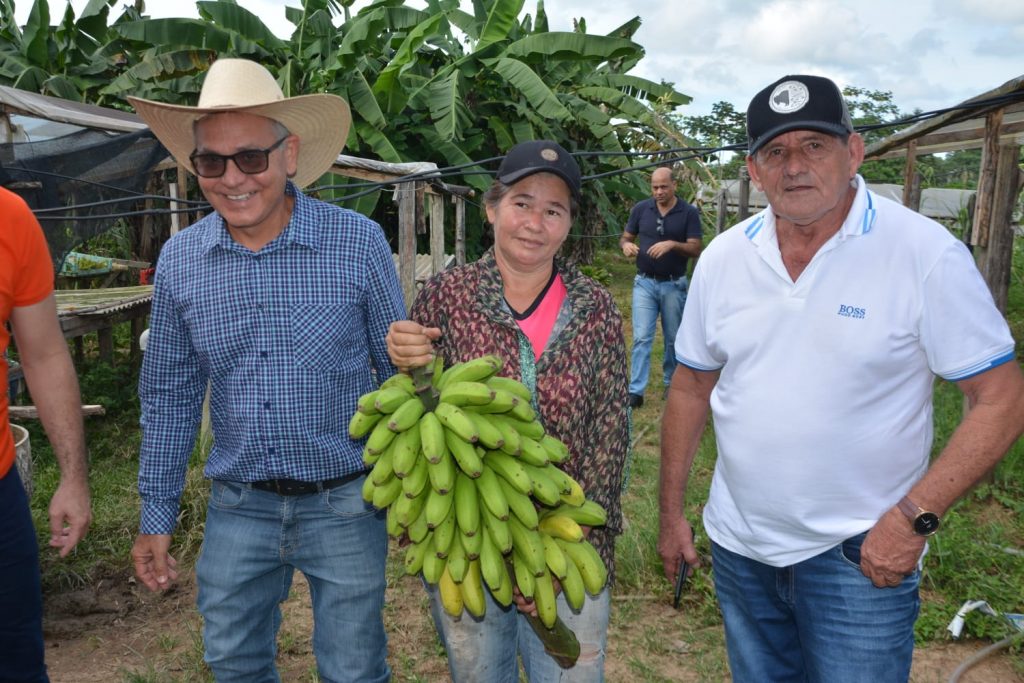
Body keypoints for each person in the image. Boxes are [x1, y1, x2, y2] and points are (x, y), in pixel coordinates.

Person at [658, 73, 1024, 682]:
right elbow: (692, 386)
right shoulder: (725, 258)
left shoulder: (922, 254)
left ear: (852, 152)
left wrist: (915, 518)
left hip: (860, 556)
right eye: (776, 152)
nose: (795, 166)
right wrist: (672, 513)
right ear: (754, 169)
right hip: (741, 548)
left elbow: (1001, 398)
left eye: (814, 146)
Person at [127, 59, 405, 683]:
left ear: (290, 154)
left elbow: (400, 382)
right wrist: (157, 516)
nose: (232, 178)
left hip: (347, 500)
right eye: (211, 162)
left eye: (251, 158)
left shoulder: (357, 243)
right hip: (239, 504)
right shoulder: (180, 260)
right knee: (232, 662)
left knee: (355, 669)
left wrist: (416, 493)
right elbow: (170, 394)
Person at [386, 140, 630, 681]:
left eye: (554, 210)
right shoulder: (445, 296)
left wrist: (561, 540)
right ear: (492, 208)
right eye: (522, 202)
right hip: (469, 535)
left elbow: (612, 434)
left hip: (567, 537)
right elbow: (420, 417)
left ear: (568, 224)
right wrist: (405, 358)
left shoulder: (596, 309)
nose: (535, 222)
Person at [1, 186, 91, 682]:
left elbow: (44, 354)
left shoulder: (10, 217)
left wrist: (73, 477)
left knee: (16, 661)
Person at [619, 167, 702, 409]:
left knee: (673, 338)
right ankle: (635, 391)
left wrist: (672, 245)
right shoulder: (641, 209)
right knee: (642, 337)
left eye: (663, 186)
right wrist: (626, 246)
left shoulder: (688, 212)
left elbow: (696, 248)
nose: (658, 191)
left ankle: (671, 383)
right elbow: (626, 237)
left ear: (674, 185)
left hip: (673, 284)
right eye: (655, 187)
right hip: (644, 282)